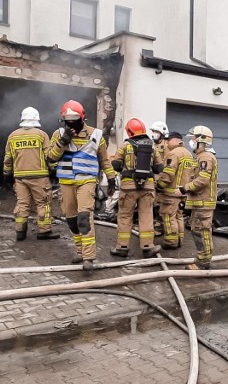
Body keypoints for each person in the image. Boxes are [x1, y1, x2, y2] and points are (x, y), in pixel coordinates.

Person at [47, 100, 117, 271]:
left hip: (87, 181)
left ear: (82, 118)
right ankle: (79, 252)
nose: (71, 123)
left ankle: (88, 256)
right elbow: (50, 158)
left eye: (74, 119)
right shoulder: (59, 134)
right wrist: (63, 142)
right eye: (67, 120)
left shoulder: (96, 135)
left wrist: (112, 179)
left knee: (84, 217)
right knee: (71, 219)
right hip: (66, 181)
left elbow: (105, 160)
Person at [3, 107, 60, 241]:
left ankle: (20, 232)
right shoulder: (41, 135)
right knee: (43, 203)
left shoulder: (13, 136)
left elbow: (8, 157)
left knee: (22, 204)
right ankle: (44, 231)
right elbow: (49, 155)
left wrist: (7, 173)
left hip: (20, 177)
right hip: (39, 176)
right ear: (36, 119)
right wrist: (54, 169)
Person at [110, 118, 164, 258]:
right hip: (147, 188)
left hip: (128, 188)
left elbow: (115, 166)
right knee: (146, 215)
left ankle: (122, 247)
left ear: (129, 131)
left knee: (125, 216)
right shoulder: (152, 147)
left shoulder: (124, 146)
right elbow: (159, 168)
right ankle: (147, 246)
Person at [178, 125, 217, 270]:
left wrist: (184, 189)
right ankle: (202, 258)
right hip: (199, 202)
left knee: (202, 231)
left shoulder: (206, 157)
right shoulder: (201, 157)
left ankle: (203, 262)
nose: (191, 141)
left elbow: (202, 181)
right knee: (197, 230)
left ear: (202, 141)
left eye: (194, 138)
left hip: (204, 202)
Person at [156, 132, 195, 249]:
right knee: (179, 216)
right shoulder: (189, 154)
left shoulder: (173, 154)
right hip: (182, 193)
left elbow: (168, 174)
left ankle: (171, 242)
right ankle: (179, 240)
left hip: (171, 193)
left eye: (169, 140)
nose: (167, 143)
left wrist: (159, 186)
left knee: (168, 217)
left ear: (177, 141)